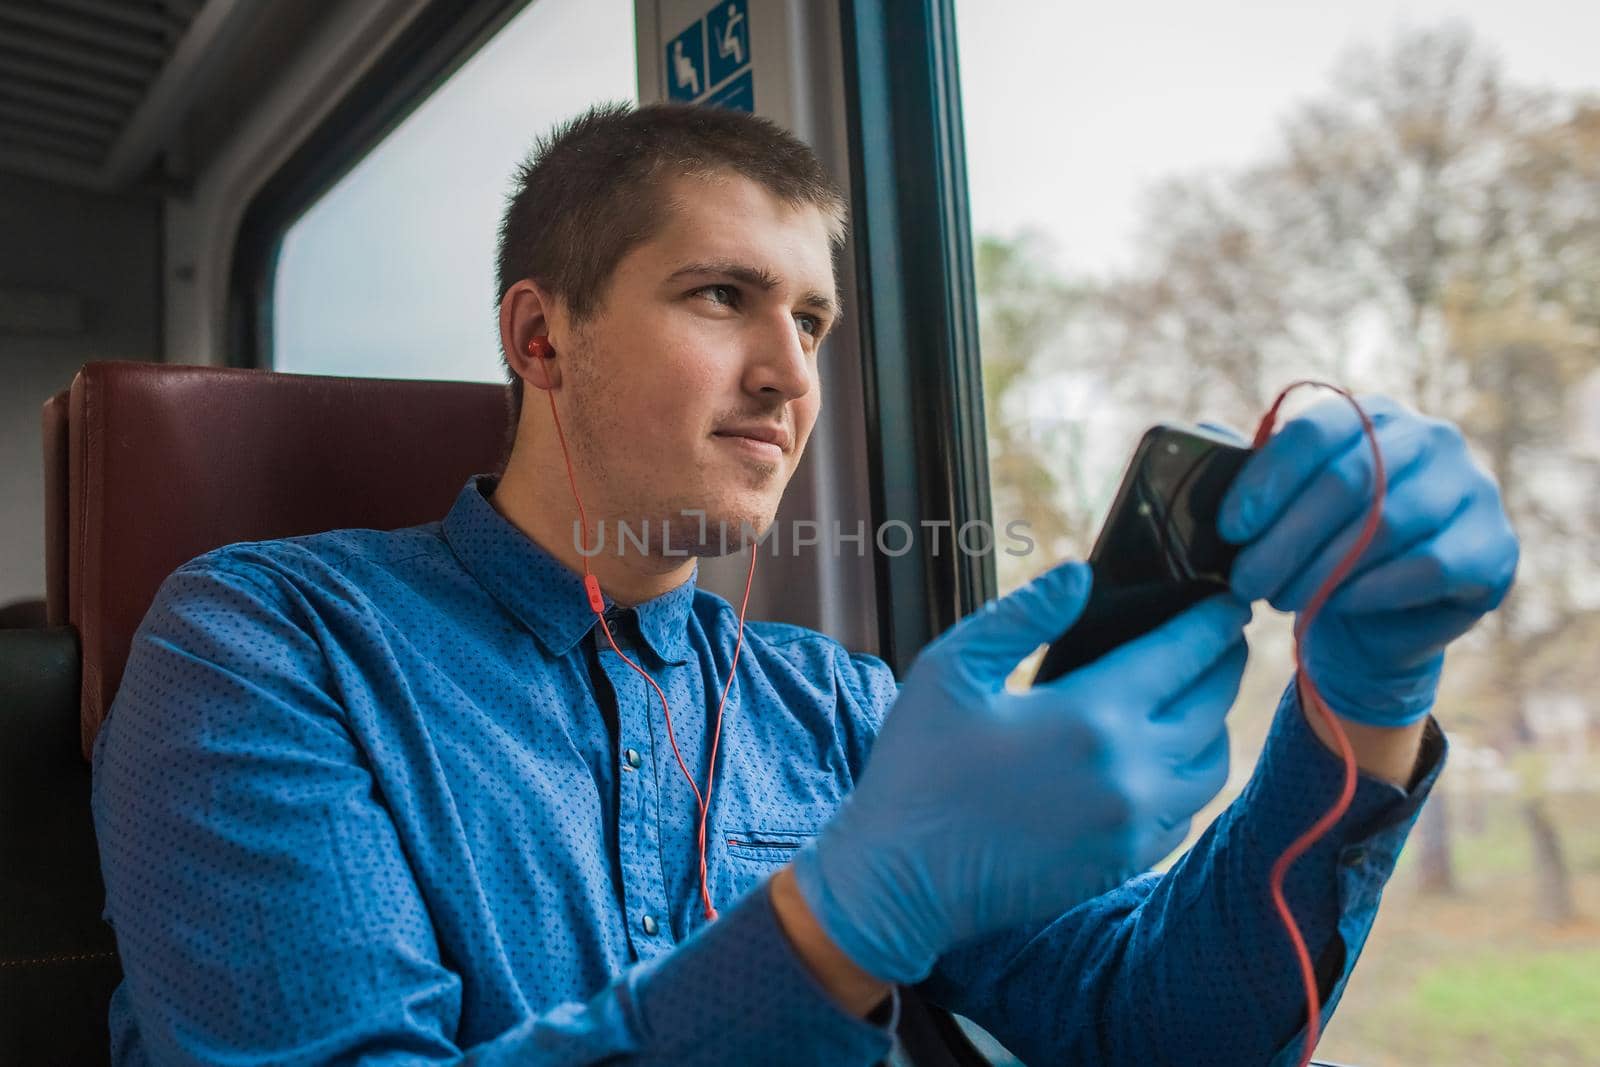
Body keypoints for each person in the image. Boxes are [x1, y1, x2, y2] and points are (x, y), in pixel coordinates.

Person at [90, 102, 1519, 1066]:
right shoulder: (266, 645)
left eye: (814, 318)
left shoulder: (836, 706)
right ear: (541, 337)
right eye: (722, 296)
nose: (789, 375)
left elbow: (1149, 1022)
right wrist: (837, 926)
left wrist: (1361, 702)